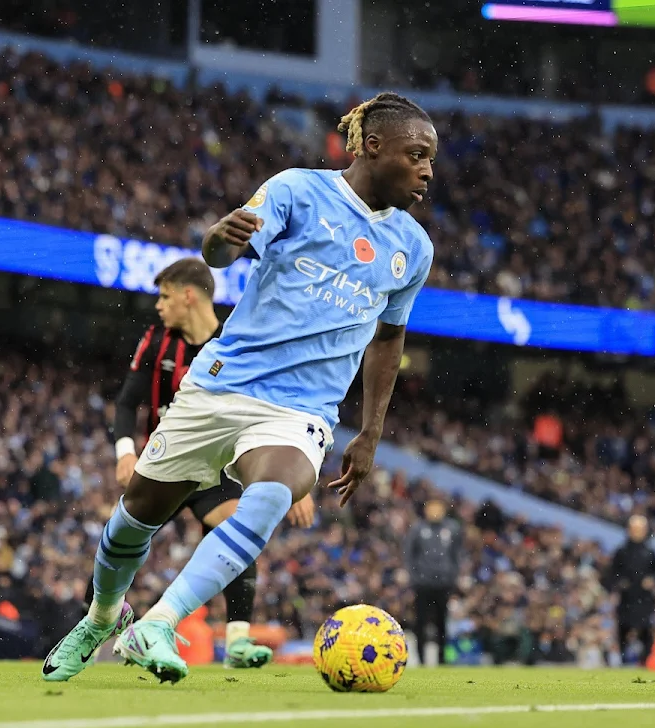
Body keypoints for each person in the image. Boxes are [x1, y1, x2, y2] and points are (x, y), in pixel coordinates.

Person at [43, 91, 437, 683]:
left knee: (275, 490)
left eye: (432, 159)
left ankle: (160, 621)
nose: (428, 171)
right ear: (373, 146)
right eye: (418, 155)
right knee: (136, 514)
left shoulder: (414, 247)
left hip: (301, 408)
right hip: (225, 383)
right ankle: (102, 616)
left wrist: (372, 430)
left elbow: (388, 340)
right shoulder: (297, 191)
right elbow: (222, 253)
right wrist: (217, 239)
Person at [79, 257, 315, 669]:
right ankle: (91, 626)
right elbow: (127, 400)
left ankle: (238, 641)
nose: (159, 306)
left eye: (165, 296)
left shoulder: (236, 342)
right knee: (123, 535)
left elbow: (273, 410)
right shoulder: (156, 341)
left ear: (189, 296)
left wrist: (288, 480)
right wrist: (125, 451)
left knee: (236, 527)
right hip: (168, 462)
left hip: (219, 467)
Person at [405, 499, 461, 665]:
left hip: (443, 584)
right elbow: (409, 555)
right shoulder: (418, 529)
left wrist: (452, 577)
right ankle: (421, 659)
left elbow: (456, 554)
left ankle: (442, 659)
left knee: (441, 622)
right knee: (420, 621)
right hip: (423, 584)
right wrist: (415, 577)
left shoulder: (452, 528)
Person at [605, 514, 655, 663]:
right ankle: (624, 661)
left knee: (645, 631)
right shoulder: (622, 551)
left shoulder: (650, 552)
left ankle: (646, 661)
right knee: (623, 630)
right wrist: (620, 582)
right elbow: (612, 573)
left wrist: (652, 579)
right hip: (627, 598)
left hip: (644, 598)